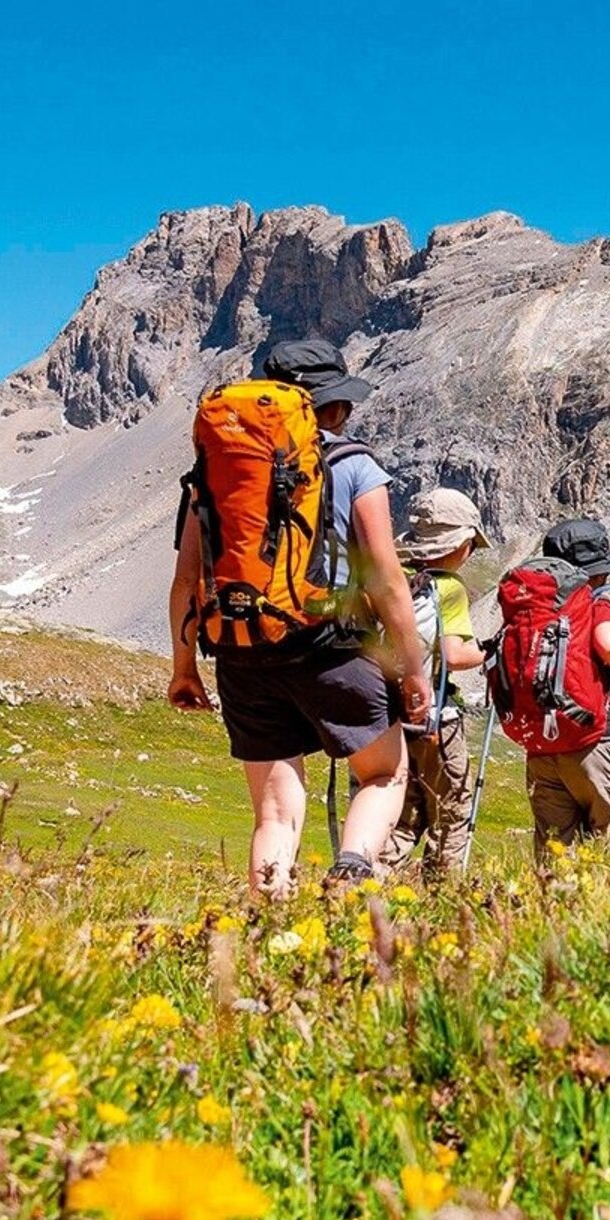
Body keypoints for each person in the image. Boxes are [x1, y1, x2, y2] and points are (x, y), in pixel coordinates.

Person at [166, 337, 431, 898]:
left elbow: (187, 581)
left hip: (242, 652)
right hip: (331, 645)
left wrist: (183, 666)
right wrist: (413, 670)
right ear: (330, 407)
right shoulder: (356, 465)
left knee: (274, 815)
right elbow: (385, 579)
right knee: (384, 773)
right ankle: (353, 867)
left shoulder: (215, 475)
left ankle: (269, 917)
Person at [514, 518, 610, 856]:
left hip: (542, 745)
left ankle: (551, 905)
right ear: (598, 573)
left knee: (554, 848)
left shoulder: (532, 606)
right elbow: (609, 646)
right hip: (591, 743)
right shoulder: (594, 603)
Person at [379, 486, 489, 883]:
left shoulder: (391, 578)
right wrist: (490, 652)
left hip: (386, 718)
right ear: (459, 544)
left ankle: (371, 884)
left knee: (402, 814)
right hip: (435, 720)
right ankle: (442, 895)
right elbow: (455, 655)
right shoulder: (448, 587)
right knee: (451, 809)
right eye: (471, 544)